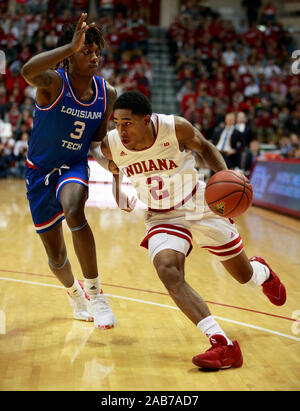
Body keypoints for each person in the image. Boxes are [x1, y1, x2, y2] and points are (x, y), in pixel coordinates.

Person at [95, 91, 286, 370]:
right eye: (117, 123)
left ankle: (262, 272)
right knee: (167, 268)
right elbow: (113, 168)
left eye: (128, 123)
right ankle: (222, 343)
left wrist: (225, 178)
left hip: (197, 203)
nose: (121, 129)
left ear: (146, 120)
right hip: (161, 216)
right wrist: (115, 184)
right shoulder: (112, 145)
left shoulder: (175, 128)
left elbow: (207, 148)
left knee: (244, 277)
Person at [21, 13, 117, 329]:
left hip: (73, 166)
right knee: (56, 256)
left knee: (74, 210)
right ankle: (75, 294)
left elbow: (98, 142)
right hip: (39, 174)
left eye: (96, 51)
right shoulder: (52, 83)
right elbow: (26, 70)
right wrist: (67, 47)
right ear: (69, 55)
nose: (94, 56)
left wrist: (113, 164)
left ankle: (97, 294)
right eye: (85, 51)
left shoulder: (108, 93)